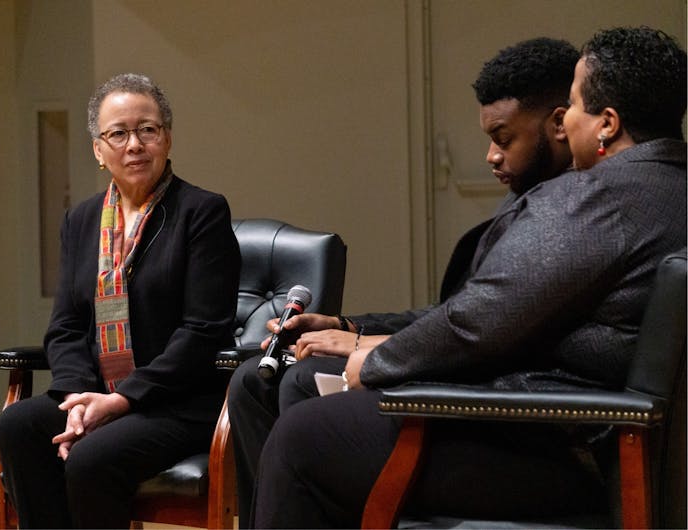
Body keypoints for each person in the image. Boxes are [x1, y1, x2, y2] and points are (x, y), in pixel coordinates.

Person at [250, 26, 686, 528]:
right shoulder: (672, 189)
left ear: (607, 123)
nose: (566, 122)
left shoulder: (598, 198)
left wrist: (373, 362)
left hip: (555, 444)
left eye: (573, 105)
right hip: (617, 442)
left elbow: (479, 319)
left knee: (302, 435)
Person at [227, 37, 579, 528]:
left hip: (515, 422)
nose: (491, 157)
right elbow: (459, 313)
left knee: (305, 391)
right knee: (253, 381)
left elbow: (482, 332)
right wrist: (348, 324)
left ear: (561, 123)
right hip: (477, 378)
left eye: (504, 139)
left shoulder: (568, 215)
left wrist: (367, 345)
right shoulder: (533, 204)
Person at [0, 73, 241, 528]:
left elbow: (203, 332)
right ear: (98, 149)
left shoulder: (202, 213)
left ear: (166, 138)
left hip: (175, 402)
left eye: (147, 130)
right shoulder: (82, 219)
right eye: (118, 133)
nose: (134, 145)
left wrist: (123, 399)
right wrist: (77, 400)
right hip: (96, 392)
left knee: (91, 457)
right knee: (20, 426)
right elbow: (65, 327)